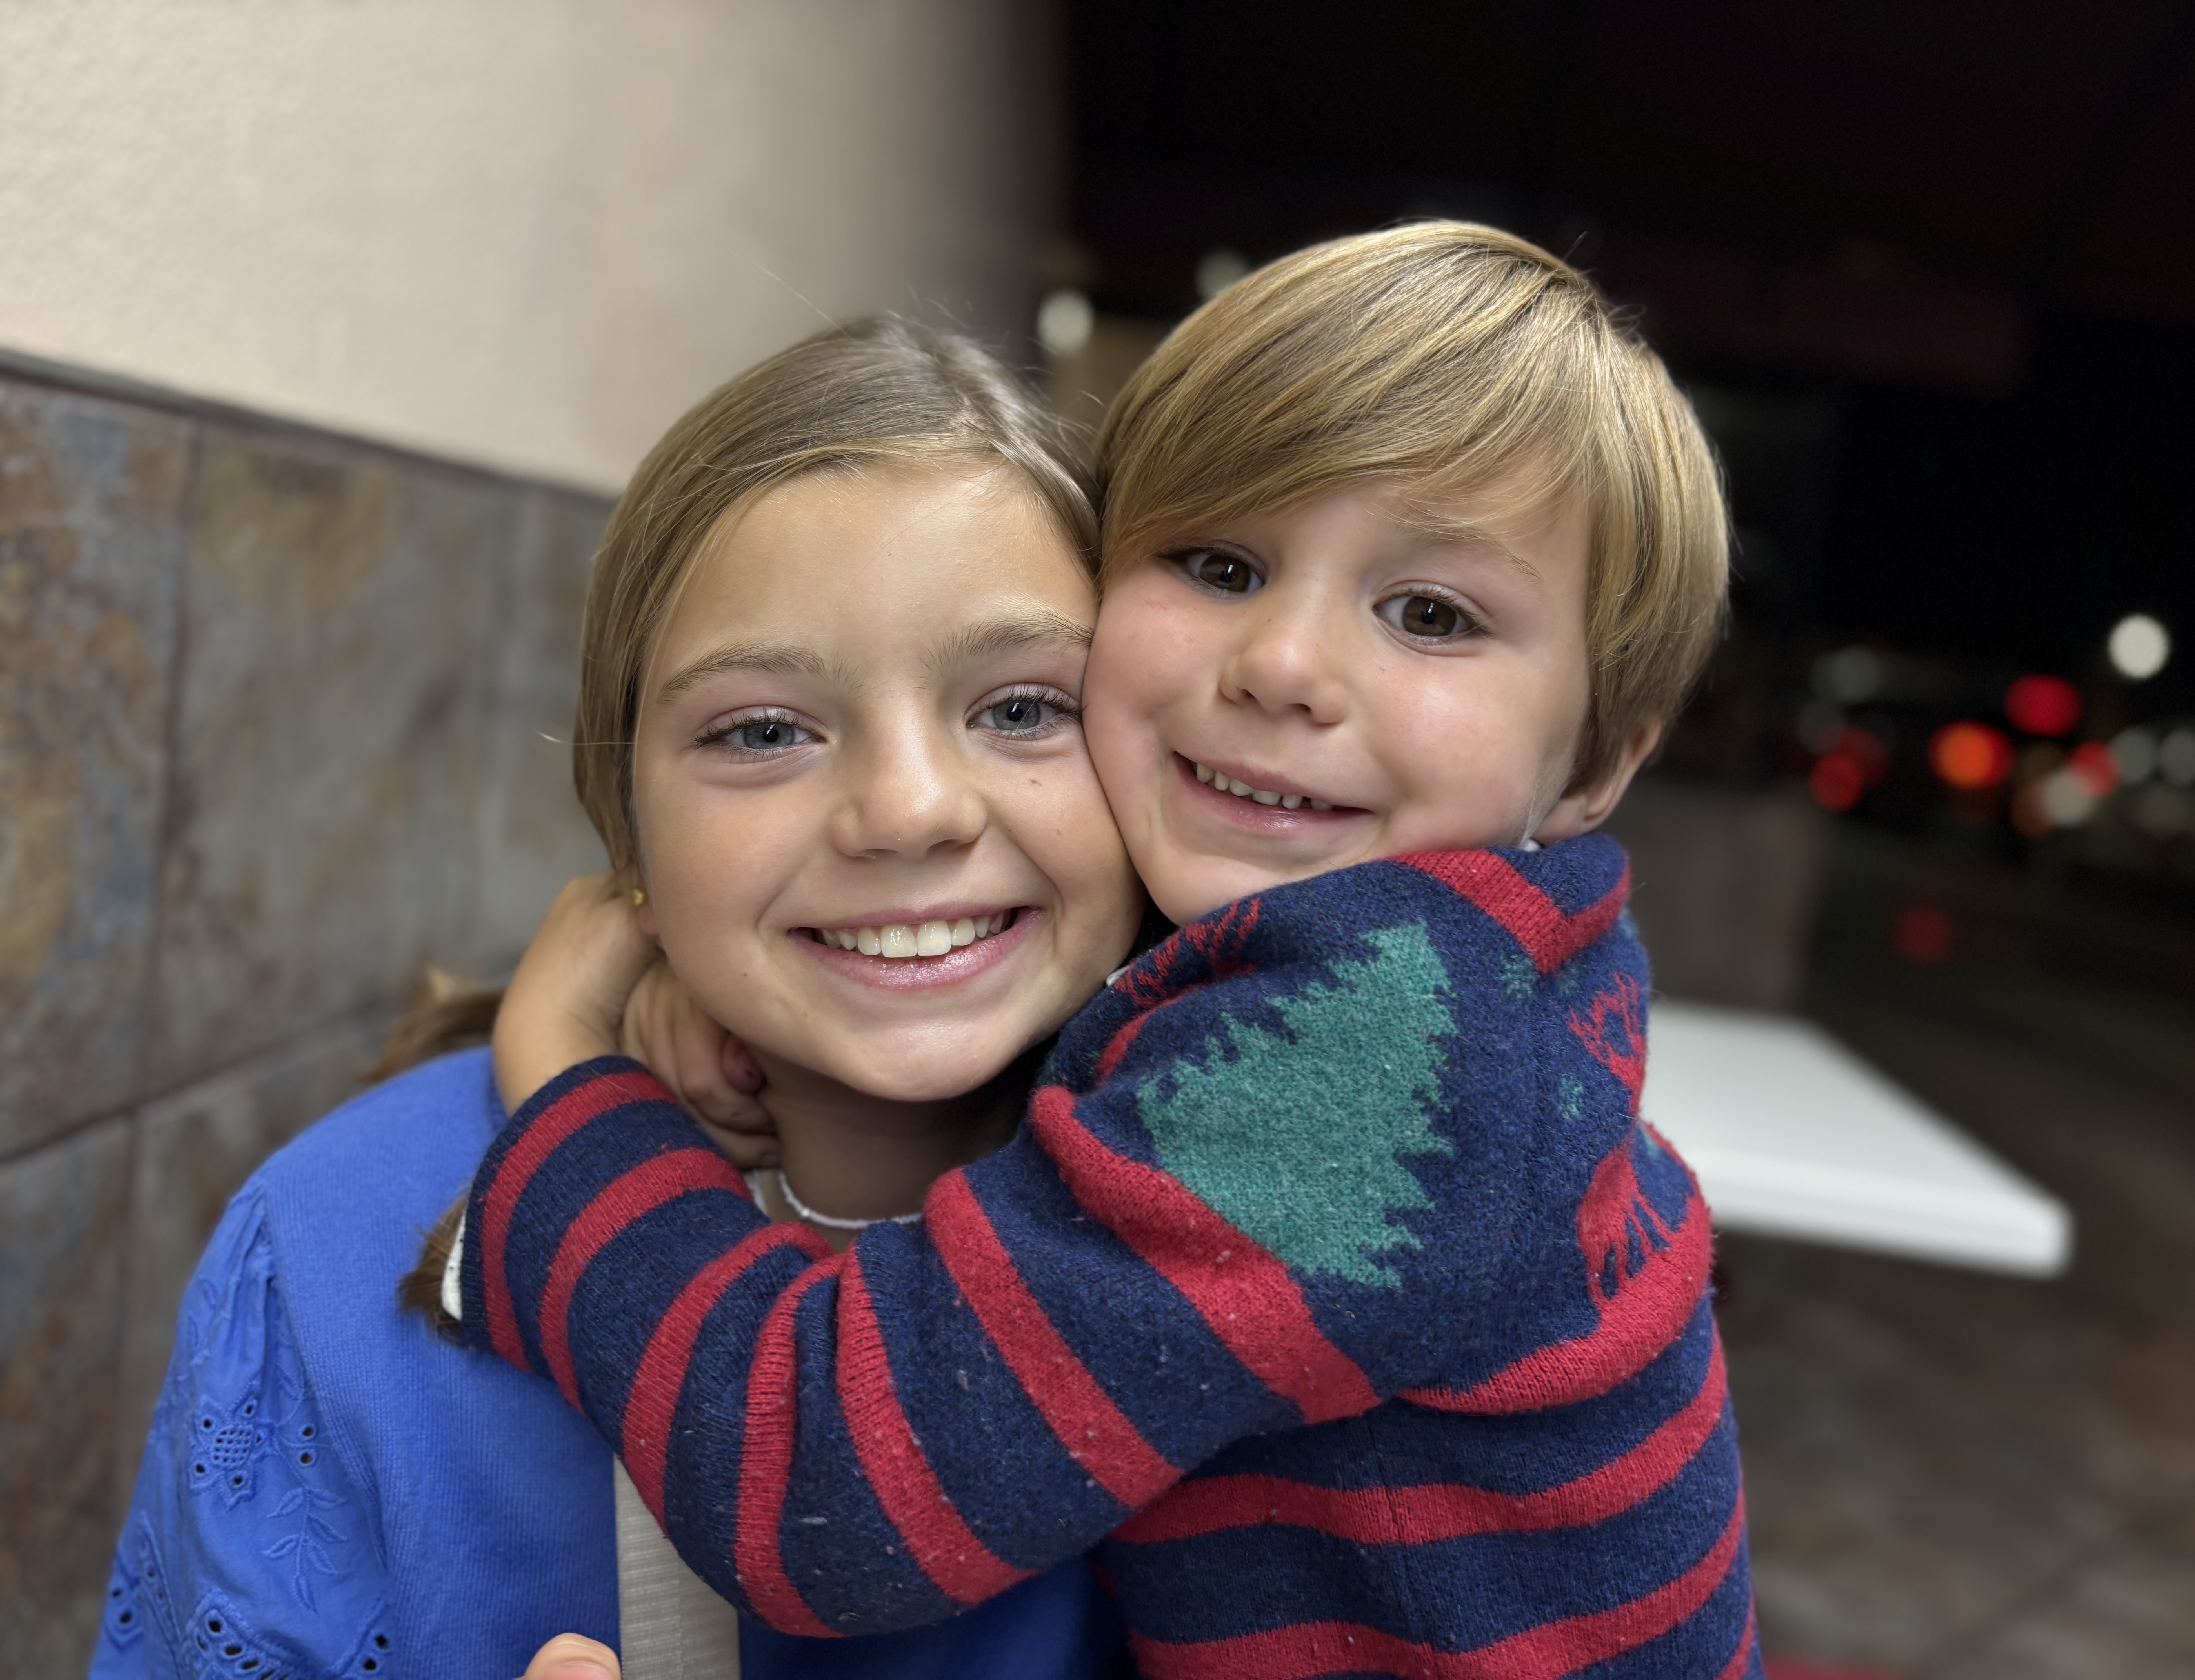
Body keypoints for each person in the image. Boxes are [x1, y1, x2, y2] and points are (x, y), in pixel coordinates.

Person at [461, 222, 1761, 1676]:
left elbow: (822, 1487)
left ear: (1592, 767)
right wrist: (743, 988)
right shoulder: (1487, 961)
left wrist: (570, 1073)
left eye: (1432, 613)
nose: (1280, 665)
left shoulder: (1380, 1055)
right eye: (1218, 562)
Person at [92, 320, 1144, 1680]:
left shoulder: (1240, 1226)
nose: (910, 810)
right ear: (625, 826)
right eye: (763, 731)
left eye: (1019, 708)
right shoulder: (329, 1239)